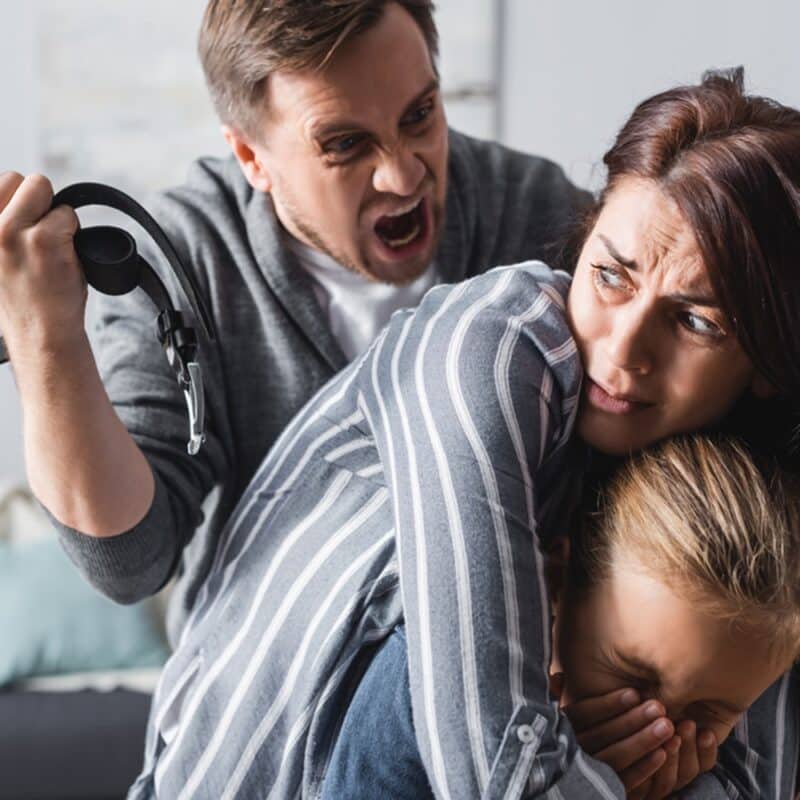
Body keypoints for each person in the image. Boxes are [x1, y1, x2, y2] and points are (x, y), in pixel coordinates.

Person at [128, 72, 800, 798]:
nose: (623, 350)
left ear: (766, 363)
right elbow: (494, 768)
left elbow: (760, 776)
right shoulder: (484, 352)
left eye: (695, 321)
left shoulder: (748, 483)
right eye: (609, 275)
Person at [0, 0, 588, 643]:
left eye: (419, 116)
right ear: (252, 157)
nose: (402, 173)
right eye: (344, 144)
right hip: (271, 683)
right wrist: (46, 342)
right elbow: (131, 562)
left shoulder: (532, 209)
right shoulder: (189, 258)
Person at [322, 436, 800, 800]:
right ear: (556, 585)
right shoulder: (423, 687)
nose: (658, 728)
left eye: (706, 715)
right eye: (633, 675)